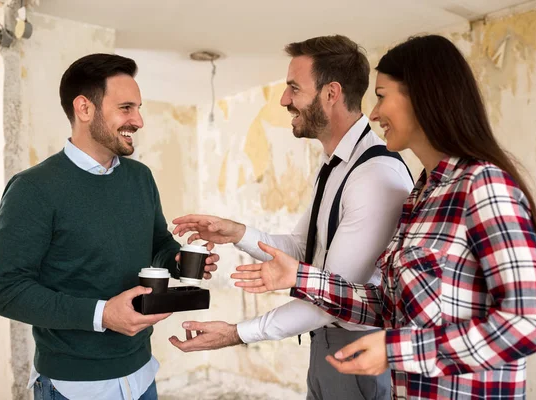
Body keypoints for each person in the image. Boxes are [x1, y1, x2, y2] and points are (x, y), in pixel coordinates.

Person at [231, 35, 536, 399]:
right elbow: (390, 308)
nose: (373, 113)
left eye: (383, 95)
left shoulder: (482, 185)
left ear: (423, 97)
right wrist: (301, 278)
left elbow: (534, 321)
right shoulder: (423, 194)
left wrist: (395, 350)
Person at [169, 35, 414, 400]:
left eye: (293, 88)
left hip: (357, 348)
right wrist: (236, 233)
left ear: (331, 94)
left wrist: (237, 333)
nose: (284, 100)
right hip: (326, 345)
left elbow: (330, 295)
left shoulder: (374, 175)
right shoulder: (335, 167)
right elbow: (304, 249)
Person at [0, 53, 219, 400]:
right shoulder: (33, 189)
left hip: (142, 375)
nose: (139, 120)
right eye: (126, 108)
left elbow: (157, 242)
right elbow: (7, 292)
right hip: (73, 387)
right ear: (84, 109)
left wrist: (180, 261)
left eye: (139, 108)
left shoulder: (140, 177)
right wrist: (102, 315)